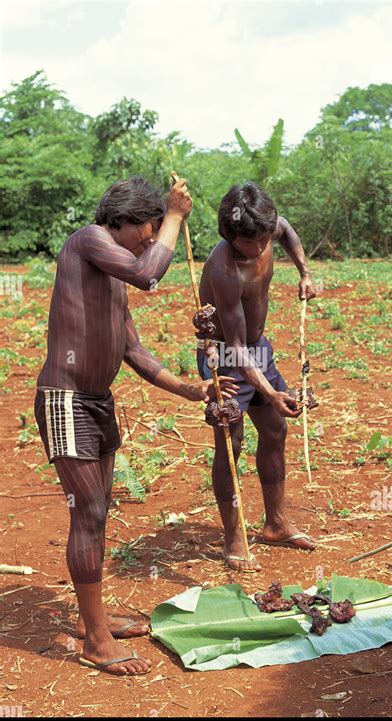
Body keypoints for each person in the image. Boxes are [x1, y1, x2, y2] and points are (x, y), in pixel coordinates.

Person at [34, 176, 238, 675]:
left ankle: (91, 620)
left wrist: (193, 389)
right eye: (147, 229)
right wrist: (174, 216)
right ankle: (95, 640)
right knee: (88, 511)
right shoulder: (89, 240)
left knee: (99, 513)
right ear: (121, 219)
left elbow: (134, 352)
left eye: (155, 230)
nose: (151, 239)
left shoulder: (110, 278)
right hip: (65, 399)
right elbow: (150, 275)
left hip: (97, 401)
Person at [197, 182, 317, 572]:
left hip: (257, 348)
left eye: (267, 236)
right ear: (232, 235)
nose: (265, 245)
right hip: (228, 357)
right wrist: (272, 390)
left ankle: (276, 523)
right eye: (256, 241)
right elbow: (234, 347)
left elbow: (286, 230)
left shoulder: (266, 229)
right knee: (230, 444)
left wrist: (304, 272)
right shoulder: (224, 270)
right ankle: (234, 534)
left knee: (276, 429)